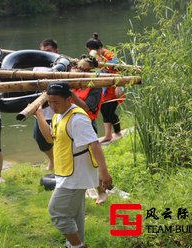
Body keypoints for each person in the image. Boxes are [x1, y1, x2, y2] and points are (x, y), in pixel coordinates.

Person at [35, 82, 112, 248]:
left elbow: (94, 144)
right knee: (74, 214)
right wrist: (39, 115)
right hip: (66, 171)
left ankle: (78, 246)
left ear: (69, 99)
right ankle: (74, 244)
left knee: (57, 212)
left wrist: (104, 173)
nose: (53, 106)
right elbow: (50, 138)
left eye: (56, 102)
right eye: (50, 101)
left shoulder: (78, 118)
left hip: (77, 174)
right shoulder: (58, 116)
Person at [70, 57, 108, 204]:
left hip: (86, 124)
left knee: (90, 160)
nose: (82, 72)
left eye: (86, 70)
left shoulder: (95, 86)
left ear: (93, 70)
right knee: (73, 160)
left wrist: (71, 93)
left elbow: (87, 107)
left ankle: (101, 192)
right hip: (69, 125)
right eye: (80, 68)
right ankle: (80, 192)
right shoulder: (73, 80)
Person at [86, 32, 124, 143]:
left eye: (89, 50)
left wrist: (119, 86)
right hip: (104, 88)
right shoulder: (97, 56)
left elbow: (119, 69)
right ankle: (112, 134)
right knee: (105, 110)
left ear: (95, 49)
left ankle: (112, 134)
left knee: (109, 111)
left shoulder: (110, 55)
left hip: (113, 87)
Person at [32, 39, 59, 170]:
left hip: (57, 111)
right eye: (42, 52)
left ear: (56, 51)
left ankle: (62, 162)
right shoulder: (37, 66)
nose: (45, 54)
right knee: (40, 139)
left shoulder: (61, 65)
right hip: (41, 110)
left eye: (48, 51)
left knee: (60, 138)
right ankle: (53, 159)